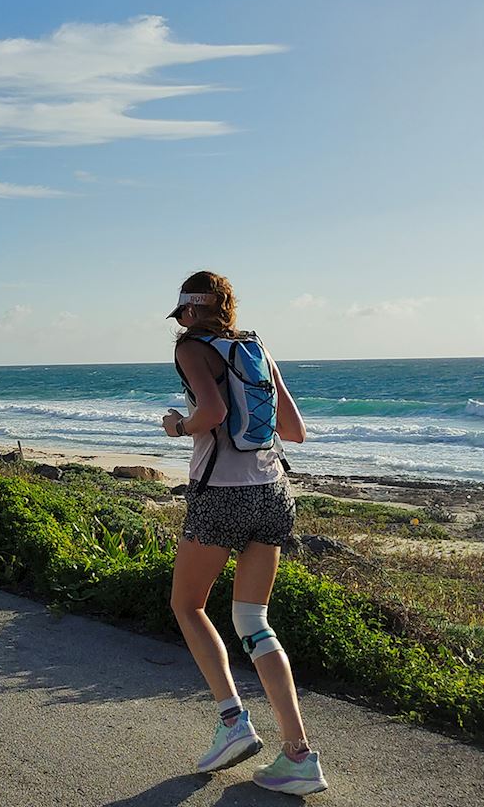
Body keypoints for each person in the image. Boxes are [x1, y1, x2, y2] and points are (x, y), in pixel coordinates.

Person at [161, 270, 328, 795]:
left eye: (182, 313)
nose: (181, 321)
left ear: (189, 310)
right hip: (273, 490)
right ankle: (298, 756)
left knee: (188, 606)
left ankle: (233, 722)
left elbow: (211, 413)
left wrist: (178, 426)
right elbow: (294, 431)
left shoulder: (192, 347)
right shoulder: (255, 346)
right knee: (252, 618)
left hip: (220, 493)